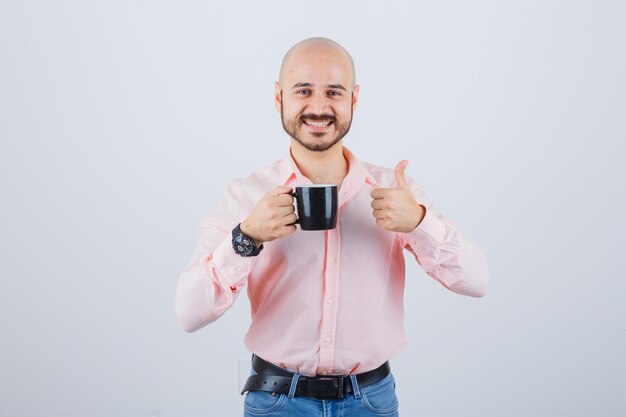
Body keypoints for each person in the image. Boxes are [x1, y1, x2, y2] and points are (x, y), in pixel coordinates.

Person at [175, 37, 490, 417]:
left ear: (354, 100)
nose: (319, 107)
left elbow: (477, 282)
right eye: (303, 90)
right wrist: (247, 237)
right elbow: (189, 313)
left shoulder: (395, 191)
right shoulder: (247, 196)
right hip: (276, 401)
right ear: (279, 98)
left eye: (334, 92)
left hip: (372, 401)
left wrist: (419, 223)